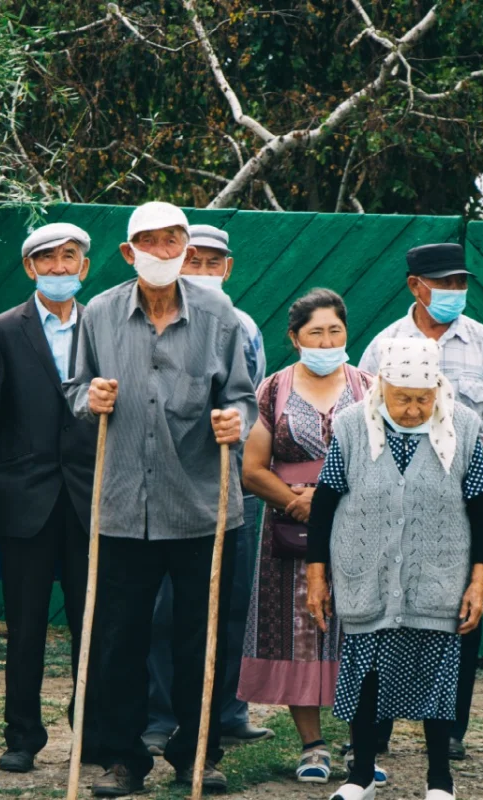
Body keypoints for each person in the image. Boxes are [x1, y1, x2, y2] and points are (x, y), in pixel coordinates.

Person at [64, 201, 257, 796]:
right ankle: (124, 759)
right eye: (150, 242)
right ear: (129, 253)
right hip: (122, 504)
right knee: (119, 638)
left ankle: (198, 752)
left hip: (199, 505)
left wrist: (235, 421)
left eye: (173, 240)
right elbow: (73, 389)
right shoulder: (98, 313)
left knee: (201, 638)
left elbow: (245, 398)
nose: (164, 251)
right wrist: (88, 399)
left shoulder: (219, 313)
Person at [305, 337, 483, 800]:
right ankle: (362, 776)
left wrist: (477, 582)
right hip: (365, 575)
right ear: (382, 388)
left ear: (437, 390)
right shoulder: (352, 426)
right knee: (366, 675)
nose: (412, 410)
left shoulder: (464, 428)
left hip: (438, 577)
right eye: (402, 398)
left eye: (422, 399)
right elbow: (325, 504)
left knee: (437, 679)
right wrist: (317, 577)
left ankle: (439, 781)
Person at [357, 242, 483, 759]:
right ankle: (377, 728)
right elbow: (364, 426)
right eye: (442, 283)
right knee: (386, 608)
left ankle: (451, 727)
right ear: (415, 286)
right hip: (391, 501)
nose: (453, 292)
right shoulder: (383, 346)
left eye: (460, 283)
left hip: (461, 502)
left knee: (460, 611)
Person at [144, 223, 272, 756]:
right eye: (191, 260)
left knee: (232, 603)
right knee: (165, 610)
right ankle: (160, 715)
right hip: (165, 492)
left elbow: (250, 403)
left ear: (227, 268)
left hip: (228, 487)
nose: (200, 272)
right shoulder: (155, 318)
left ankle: (227, 711)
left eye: (210, 263)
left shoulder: (243, 327)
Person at [0, 222, 98, 773]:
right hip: (27, 502)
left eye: (68, 258)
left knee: (92, 622)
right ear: (29, 268)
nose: (58, 268)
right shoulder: (1, 331)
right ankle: (22, 735)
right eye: (45, 259)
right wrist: (11, 483)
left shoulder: (106, 326)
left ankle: (91, 731)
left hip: (91, 499)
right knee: (25, 627)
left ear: (84, 266)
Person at [237, 288, 371, 784]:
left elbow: (386, 458)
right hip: (288, 527)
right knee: (298, 631)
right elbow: (252, 469)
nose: (327, 339)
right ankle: (313, 745)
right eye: (316, 331)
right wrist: (297, 503)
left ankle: (363, 746)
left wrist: (332, 497)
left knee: (358, 629)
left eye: (335, 330)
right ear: (294, 338)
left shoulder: (370, 388)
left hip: (360, 524)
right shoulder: (271, 390)